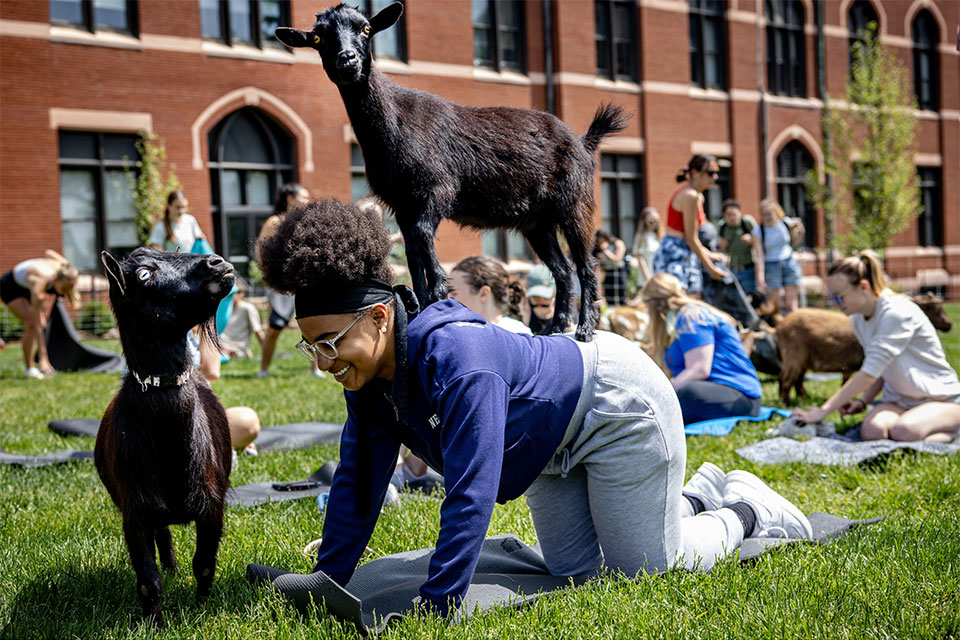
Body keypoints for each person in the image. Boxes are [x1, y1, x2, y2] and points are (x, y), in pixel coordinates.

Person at [252, 199, 812, 618]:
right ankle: (691, 497)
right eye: (312, 345)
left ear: (378, 317)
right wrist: (328, 579)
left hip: (615, 408)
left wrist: (438, 603)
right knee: (574, 573)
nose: (322, 360)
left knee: (643, 572)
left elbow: (471, 490)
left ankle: (743, 509)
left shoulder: (457, 356)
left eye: (331, 341)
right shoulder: (370, 379)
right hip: (548, 444)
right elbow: (358, 480)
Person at [793, 252, 960, 443]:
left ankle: (952, 435)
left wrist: (822, 412)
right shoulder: (858, 319)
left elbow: (868, 373)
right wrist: (863, 401)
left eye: (839, 298)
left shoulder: (896, 313)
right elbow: (880, 370)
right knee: (873, 432)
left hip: (940, 399)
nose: (835, 304)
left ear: (863, 287)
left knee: (904, 432)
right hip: (898, 400)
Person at [642, 273, 763, 425]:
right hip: (718, 392)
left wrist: (661, 394)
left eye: (645, 302)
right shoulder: (678, 322)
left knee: (686, 394)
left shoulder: (691, 316)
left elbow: (699, 370)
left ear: (655, 302)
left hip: (741, 397)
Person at [255, 182, 325, 378]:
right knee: (275, 328)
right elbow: (260, 250)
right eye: (303, 196)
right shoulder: (275, 222)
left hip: (305, 282)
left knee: (312, 324)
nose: (307, 200)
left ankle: (316, 368)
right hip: (282, 284)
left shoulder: (307, 222)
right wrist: (271, 276)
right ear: (290, 199)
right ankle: (263, 370)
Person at [652, 155, 727, 294]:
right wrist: (712, 269)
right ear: (694, 173)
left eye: (717, 172)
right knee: (680, 304)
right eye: (710, 173)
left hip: (683, 250)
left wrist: (710, 254)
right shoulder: (690, 196)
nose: (715, 177)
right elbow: (691, 239)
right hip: (675, 253)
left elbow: (691, 240)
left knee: (689, 301)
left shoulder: (697, 196)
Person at [0, 250, 80, 379]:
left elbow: (48, 252)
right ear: (57, 279)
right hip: (10, 286)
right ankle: (30, 369)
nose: (64, 293)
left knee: (42, 324)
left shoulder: (65, 267)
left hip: (26, 284)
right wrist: (44, 357)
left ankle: (34, 365)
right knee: (31, 323)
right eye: (64, 289)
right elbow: (36, 322)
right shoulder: (39, 284)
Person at [192, 327, 261, 455]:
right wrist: (206, 324)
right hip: (186, 418)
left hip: (198, 416)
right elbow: (212, 371)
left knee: (247, 421)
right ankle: (224, 445)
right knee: (247, 423)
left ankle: (223, 444)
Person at [447, 255, 531, 334]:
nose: (448, 300)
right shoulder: (454, 333)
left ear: (484, 294)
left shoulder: (518, 335)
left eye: (454, 294)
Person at [758, 199, 803, 315]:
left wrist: (799, 232)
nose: (767, 217)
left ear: (776, 213)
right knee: (775, 304)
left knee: (791, 303)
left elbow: (794, 243)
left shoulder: (785, 223)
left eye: (769, 214)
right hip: (771, 264)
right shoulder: (759, 231)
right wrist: (760, 277)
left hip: (788, 261)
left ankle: (796, 328)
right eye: (764, 215)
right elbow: (759, 255)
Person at [717, 200, 765, 295]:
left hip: (748, 268)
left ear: (739, 213)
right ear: (724, 216)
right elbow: (720, 247)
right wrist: (721, 245)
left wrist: (752, 240)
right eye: (728, 215)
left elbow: (761, 241)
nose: (732, 218)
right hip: (732, 269)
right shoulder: (723, 226)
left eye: (734, 214)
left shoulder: (747, 222)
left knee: (750, 297)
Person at [219, 280, 265, 358]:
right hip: (220, 345)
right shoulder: (223, 309)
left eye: (233, 293)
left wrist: (266, 350)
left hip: (235, 348)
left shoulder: (247, 308)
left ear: (241, 294)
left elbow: (258, 331)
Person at [523, 263, 560, 335]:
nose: (541, 301)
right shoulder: (522, 319)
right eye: (536, 297)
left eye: (546, 297)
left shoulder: (563, 318)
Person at [594, 230, 628, 307]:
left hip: (619, 272)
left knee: (621, 296)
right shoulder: (599, 249)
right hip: (608, 272)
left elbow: (618, 258)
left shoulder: (618, 243)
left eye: (602, 241)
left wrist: (606, 251)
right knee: (610, 297)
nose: (601, 244)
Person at [631, 207, 662, 288]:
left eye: (656, 220)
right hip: (647, 275)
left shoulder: (658, 236)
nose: (654, 223)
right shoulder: (641, 236)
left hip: (659, 274)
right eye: (651, 221)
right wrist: (647, 277)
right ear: (644, 221)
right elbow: (640, 258)